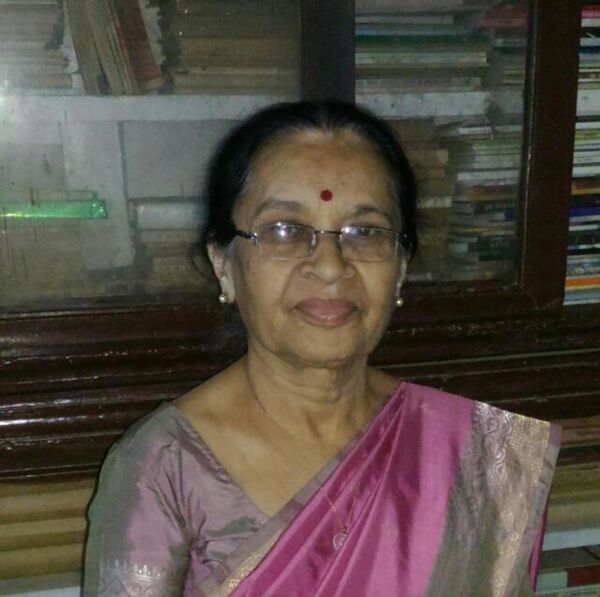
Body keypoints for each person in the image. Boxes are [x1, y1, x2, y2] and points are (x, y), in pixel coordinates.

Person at [84, 101, 560, 596]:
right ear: (224, 264)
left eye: (364, 232)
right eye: (285, 230)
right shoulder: (164, 468)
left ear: (400, 267)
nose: (331, 266)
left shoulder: (467, 456)